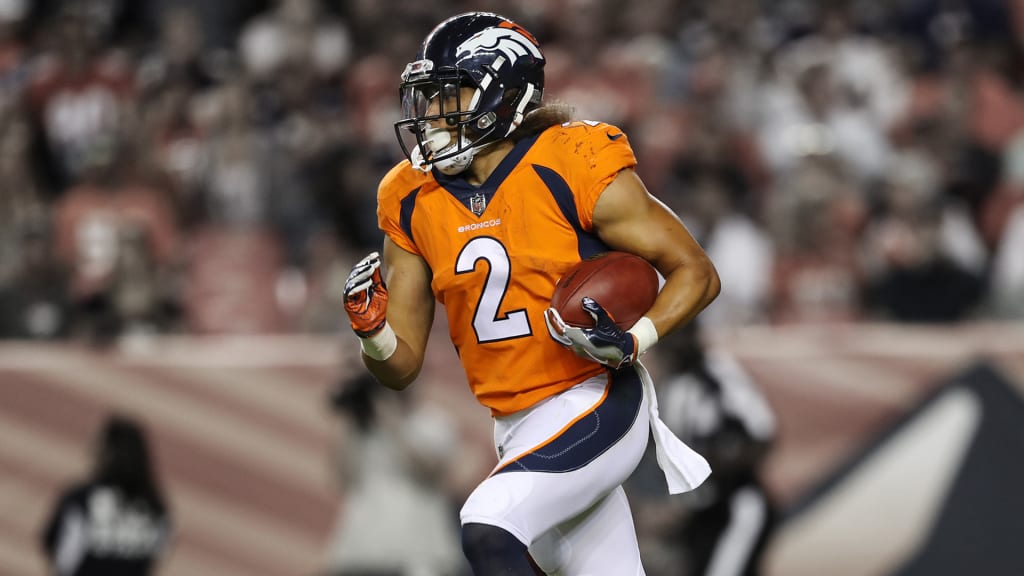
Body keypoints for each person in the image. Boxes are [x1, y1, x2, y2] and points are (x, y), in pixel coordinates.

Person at [342, 12, 720, 575]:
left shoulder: (571, 161)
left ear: (503, 94)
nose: (433, 115)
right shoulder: (409, 196)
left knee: (488, 526)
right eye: (428, 98)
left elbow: (696, 273)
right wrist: (373, 333)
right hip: (513, 423)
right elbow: (401, 368)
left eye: (452, 94)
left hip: (594, 399)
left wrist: (636, 339)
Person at [40, 414, 172, 576]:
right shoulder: (157, 509)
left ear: (106, 453)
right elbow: (158, 555)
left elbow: (55, 548)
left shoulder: (81, 499)